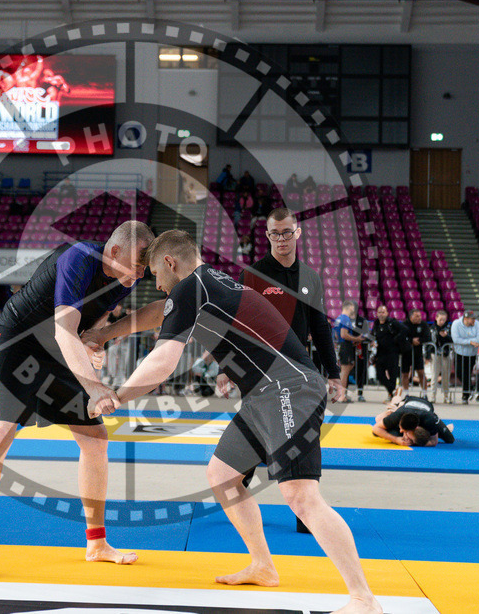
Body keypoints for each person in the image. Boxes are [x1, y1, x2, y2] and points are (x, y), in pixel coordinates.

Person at [89, 231, 381, 614]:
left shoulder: (190, 289)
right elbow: (158, 315)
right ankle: (263, 565)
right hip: (263, 394)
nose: (156, 285)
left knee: (301, 496)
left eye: (156, 275)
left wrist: (115, 395)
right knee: (223, 474)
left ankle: (364, 598)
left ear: (170, 264)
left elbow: (162, 363)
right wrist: (107, 332)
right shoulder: (209, 283)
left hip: (288, 389)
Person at [0, 220, 159, 574]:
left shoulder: (124, 278)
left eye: (143, 269)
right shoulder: (79, 258)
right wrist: (94, 386)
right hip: (18, 344)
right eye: (136, 264)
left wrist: (96, 341)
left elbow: (86, 326)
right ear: (114, 250)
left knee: (95, 440)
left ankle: (97, 542)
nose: (138, 275)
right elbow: (64, 329)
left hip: (58, 351)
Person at [234, 207, 342, 403]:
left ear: (297, 233)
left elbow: (320, 329)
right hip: (260, 371)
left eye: (286, 232)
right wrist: (225, 368)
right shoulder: (251, 276)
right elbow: (237, 326)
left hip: (297, 369)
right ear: (267, 235)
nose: (281, 239)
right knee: (262, 432)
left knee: (300, 430)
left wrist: (333, 373)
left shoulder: (311, 277)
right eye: (275, 233)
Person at [371, 394, 456, 447]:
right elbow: (375, 429)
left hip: (426, 409)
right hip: (407, 403)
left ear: (414, 428)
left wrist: (415, 442)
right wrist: (396, 439)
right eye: (401, 428)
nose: (401, 430)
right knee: (378, 421)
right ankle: (394, 404)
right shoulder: (398, 415)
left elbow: (434, 442)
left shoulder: (429, 420)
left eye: (404, 431)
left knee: (450, 439)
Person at [371, 305, 406, 402]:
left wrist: (396, 339)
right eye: (379, 312)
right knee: (379, 374)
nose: (381, 314)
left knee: (392, 375)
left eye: (383, 312)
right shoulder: (376, 323)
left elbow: (405, 330)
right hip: (380, 353)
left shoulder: (392, 322)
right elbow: (373, 335)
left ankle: (391, 395)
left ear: (387, 313)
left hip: (392, 353)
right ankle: (393, 391)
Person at [334, 300, 363, 403]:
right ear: (349, 307)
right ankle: (341, 396)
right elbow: (343, 335)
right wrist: (357, 339)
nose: (354, 310)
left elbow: (337, 335)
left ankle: (341, 394)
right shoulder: (345, 318)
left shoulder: (338, 318)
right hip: (345, 346)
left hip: (342, 345)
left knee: (345, 370)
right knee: (345, 372)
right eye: (353, 307)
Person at [451, 310, 479, 404]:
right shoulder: (456, 324)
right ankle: (470, 388)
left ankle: (465, 395)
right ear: (466, 319)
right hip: (459, 353)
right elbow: (456, 339)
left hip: (472, 354)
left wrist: (465, 341)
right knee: (459, 372)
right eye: (472, 319)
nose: (474, 321)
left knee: (467, 373)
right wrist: (470, 342)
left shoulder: (477, 324)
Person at [400, 309, 431, 398]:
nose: (419, 318)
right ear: (411, 317)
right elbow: (401, 337)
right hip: (406, 352)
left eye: (420, 316)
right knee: (405, 374)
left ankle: (425, 394)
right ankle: (406, 394)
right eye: (417, 316)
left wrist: (419, 341)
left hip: (418, 353)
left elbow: (428, 337)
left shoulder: (423, 325)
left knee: (421, 372)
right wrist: (411, 341)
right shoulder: (404, 325)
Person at [428, 309, 453, 403]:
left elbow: (452, 340)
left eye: (444, 320)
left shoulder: (448, 327)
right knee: (434, 376)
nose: (442, 322)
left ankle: (446, 396)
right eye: (440, 319)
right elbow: (431, 340)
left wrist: (446, 336)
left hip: (445, 354)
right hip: (435, 354)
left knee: (446, 376)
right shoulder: (432, 328)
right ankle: (432, 396)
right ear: (436, 318)